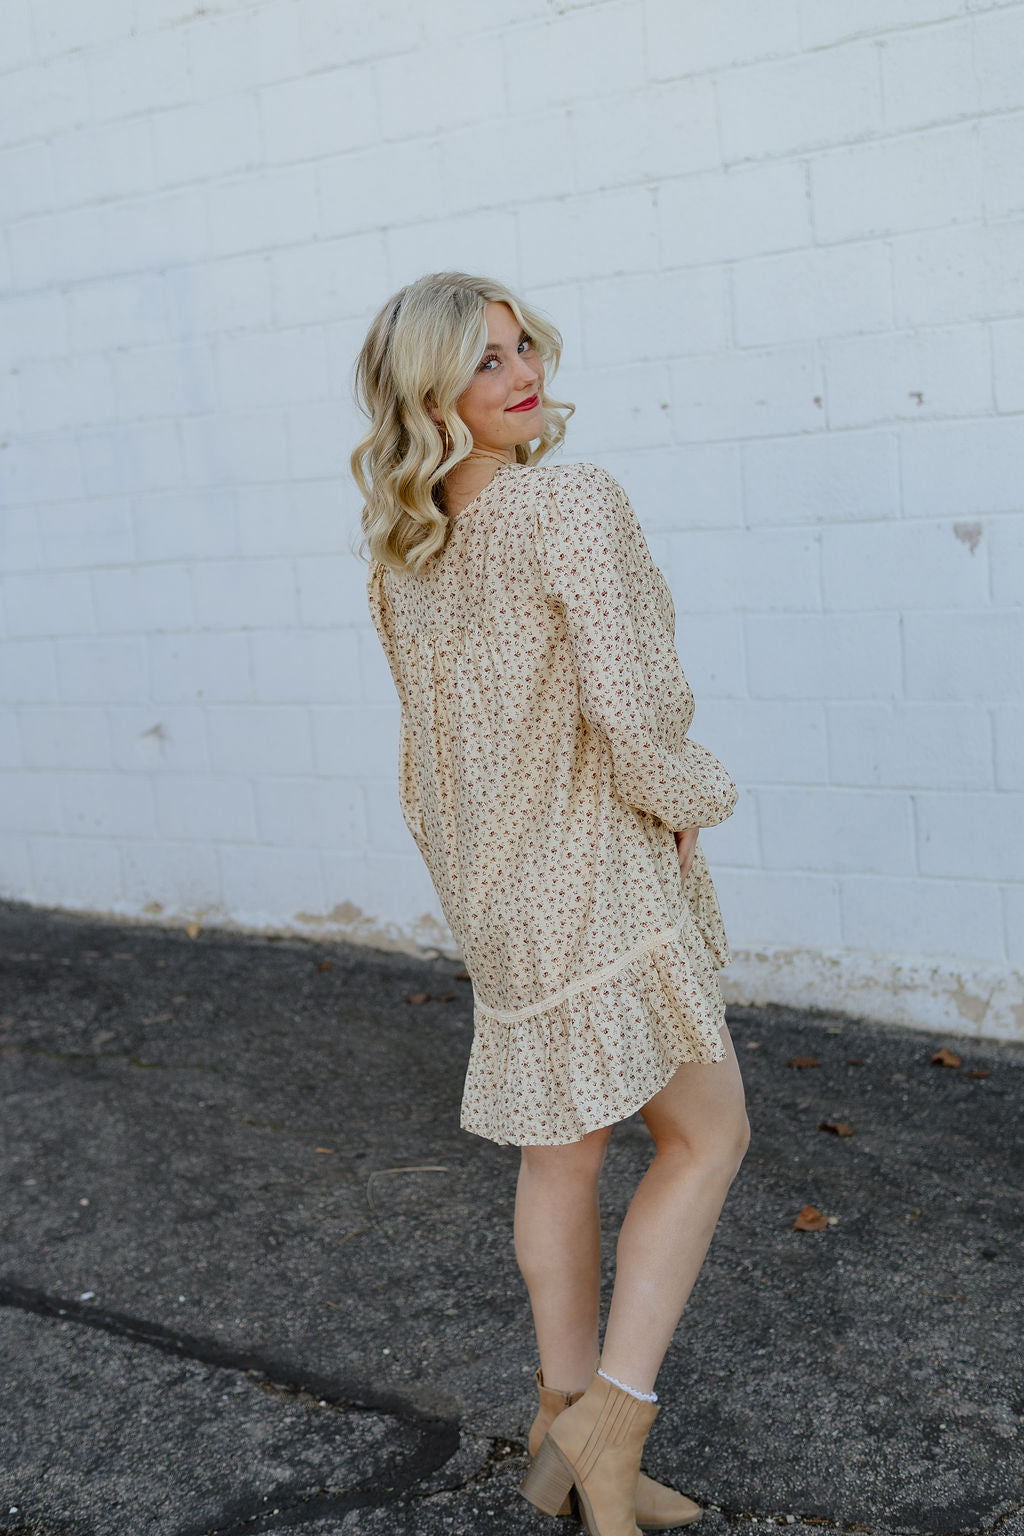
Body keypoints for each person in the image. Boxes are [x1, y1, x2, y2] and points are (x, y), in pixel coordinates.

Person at [355, 272, 750, 1536]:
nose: (520, 372)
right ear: (428, 392)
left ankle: (554, 1428)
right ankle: (608, 1429)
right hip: (598, 874)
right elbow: (635, 721)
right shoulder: (567, 503)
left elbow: (428, 764)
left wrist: (478, 890)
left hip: (499, 891)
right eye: (483, 361)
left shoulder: (404, 553)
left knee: (561, 1154)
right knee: (709, 1135)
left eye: (521, 346)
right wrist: (696, 794)